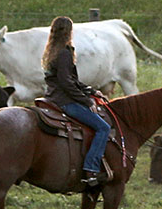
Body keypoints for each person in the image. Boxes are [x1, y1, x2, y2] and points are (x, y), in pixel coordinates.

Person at [42, 16, 111, 191]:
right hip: (65, 101)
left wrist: (91, 91)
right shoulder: (65, 53)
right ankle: (91, 168)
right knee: (103, 128)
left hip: (52, 97)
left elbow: (71, 80)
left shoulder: (52, 51)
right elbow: (66, 83)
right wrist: (86, 101)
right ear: (69, 32)